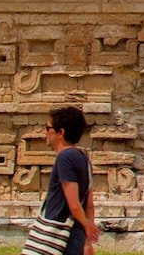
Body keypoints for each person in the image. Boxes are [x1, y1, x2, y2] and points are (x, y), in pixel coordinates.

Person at [44, 106, 100, 255]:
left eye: (48, 128)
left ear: (60, 132)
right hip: (75, 236)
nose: (45, 132)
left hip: (59, 237)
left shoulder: (65, 158)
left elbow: (74, 204)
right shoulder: (83, 158)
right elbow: (89, 204)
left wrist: (87, 225)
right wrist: (87, 241)